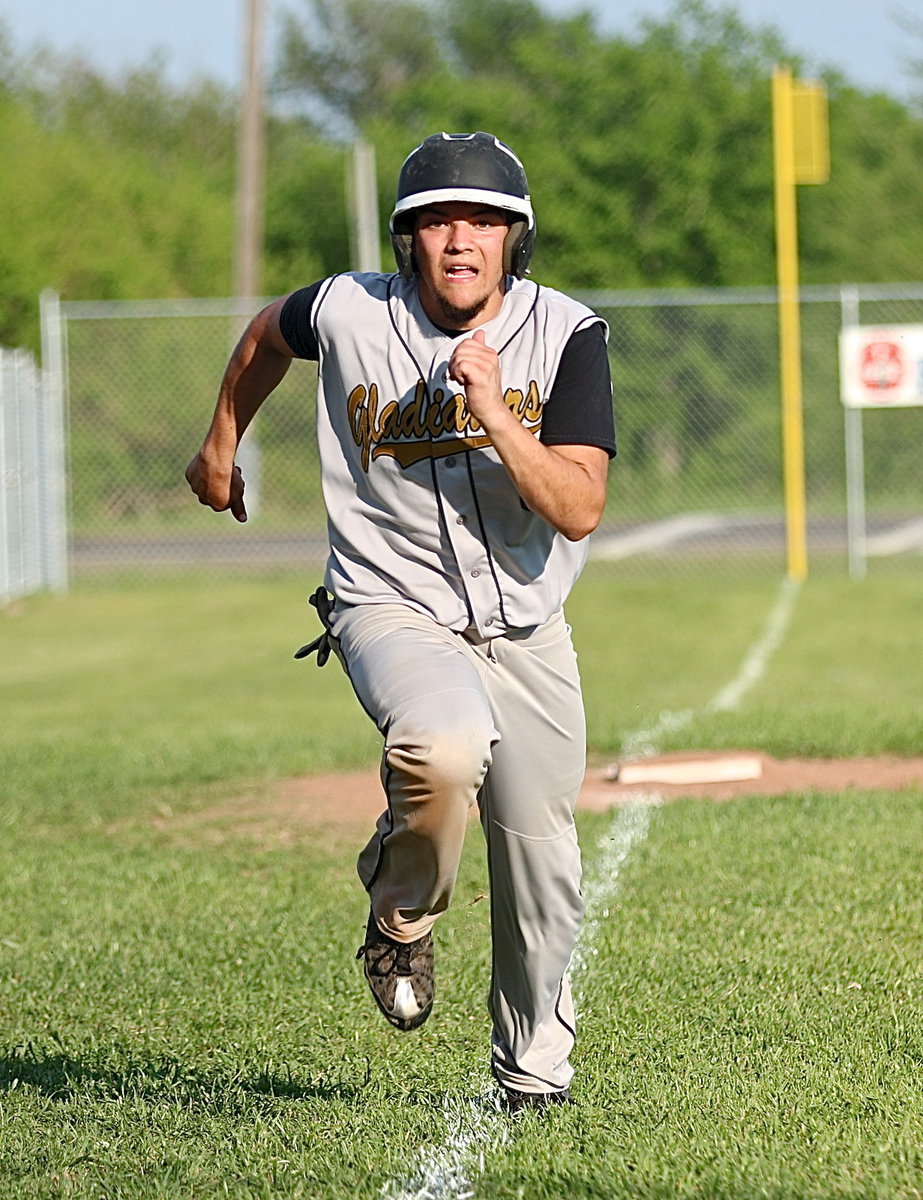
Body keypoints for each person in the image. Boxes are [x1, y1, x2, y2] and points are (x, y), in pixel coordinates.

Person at [185, 131, 616, 1113]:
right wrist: (220, 442)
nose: (458, 240)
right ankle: (402, 916)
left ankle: (531, 1079)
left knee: (541, 862)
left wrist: (497, 414)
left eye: (483, 222)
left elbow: (579, 505)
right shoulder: (350, 309)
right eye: (435, 221)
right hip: (387, 601)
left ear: (514, 240)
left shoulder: (566, 334)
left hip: (524, 621)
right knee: (440, 744)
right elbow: (264, 335)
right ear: (405, 237)